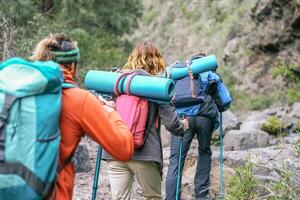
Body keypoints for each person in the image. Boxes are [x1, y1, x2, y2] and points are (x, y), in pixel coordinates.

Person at [29, 33, 134, 200]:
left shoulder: (15, 91)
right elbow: (124, 149)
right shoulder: (79, 100)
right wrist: (110, 112)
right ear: (72, 65)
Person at [102, 41, 189, 200]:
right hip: (144, 154)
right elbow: (171, 124)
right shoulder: (157, 86)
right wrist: (182, 126)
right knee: (153, 197)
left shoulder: (119, 82)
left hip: (115, 151)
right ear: (156, 60)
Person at [165, 53, 221, 200]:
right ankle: (201, 195)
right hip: (205, 118)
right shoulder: (209, 73)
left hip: (183, 118)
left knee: (176, 160)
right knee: (204, 152)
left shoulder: (181, 72)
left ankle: (172, 197)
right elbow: (223, 100)